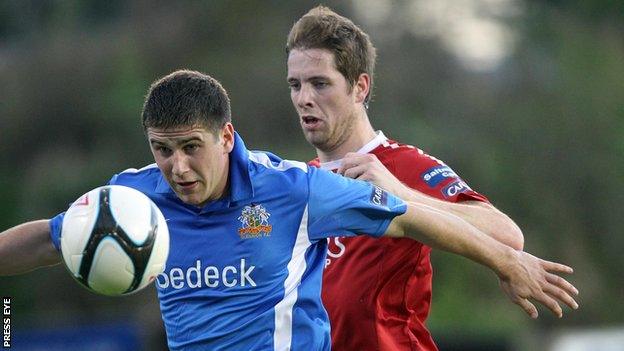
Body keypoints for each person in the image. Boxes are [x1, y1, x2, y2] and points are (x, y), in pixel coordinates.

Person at [0, 70, 577, 351]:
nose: (177, 167)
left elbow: (407, 216)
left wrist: (506, 259)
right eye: (162, 149)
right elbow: (53, 240)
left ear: (226, 136)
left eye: (191, 148)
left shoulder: (295, 190)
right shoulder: (132, 200)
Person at [285, 6, 571, 351]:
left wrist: (398, 192)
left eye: (320, 83)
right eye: (295, 85)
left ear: (360, 87)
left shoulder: (402, 165)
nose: (304, 99)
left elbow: (506, 234)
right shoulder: (299, 182)